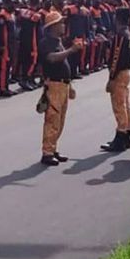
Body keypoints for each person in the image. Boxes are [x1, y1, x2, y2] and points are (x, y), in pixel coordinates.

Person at [37, 11, 83, 166]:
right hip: (54, 85)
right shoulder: (46, 43)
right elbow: (51, 58)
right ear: (53, 26)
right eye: (60, 23)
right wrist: (71, 50)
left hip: (62, 84)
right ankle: (47, 152)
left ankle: (53, 147)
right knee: (52, 119)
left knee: (60, 120)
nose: (63, 25)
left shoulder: (58, 41)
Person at [100, 7, 130, 153]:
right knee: (125, 104)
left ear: (118, 19)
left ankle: (121, 136)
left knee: (119, 106)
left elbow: (116, 57)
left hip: (119, 73)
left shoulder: (121, 36)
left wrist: (111, 78)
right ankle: (126, 134)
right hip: (126, 71)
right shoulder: (129, 35)